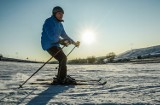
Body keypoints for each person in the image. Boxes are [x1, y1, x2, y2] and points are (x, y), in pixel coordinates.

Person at [41, 6, 80, 84]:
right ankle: (61, 79)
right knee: (63, 58)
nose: (61, 15)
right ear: (54, 14)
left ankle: (62, 76)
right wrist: (60, 41)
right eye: (59, 13)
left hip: (56, 44)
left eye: (62, 14)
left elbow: (65, 35)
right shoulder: (49, 21)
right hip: (48, 44)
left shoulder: (60, 25)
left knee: (63, 59)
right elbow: (51, 35)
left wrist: (74, 43)